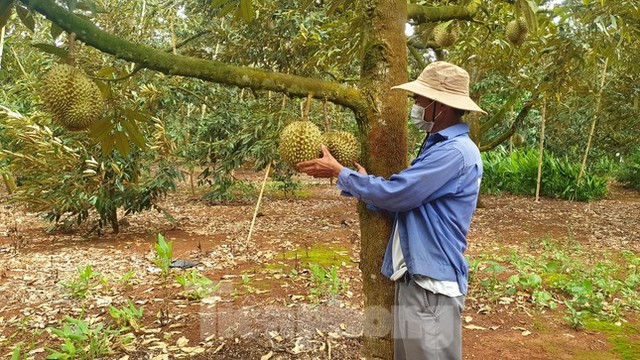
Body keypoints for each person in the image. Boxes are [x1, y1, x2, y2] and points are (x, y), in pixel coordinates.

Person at [297, 61, 486, 360]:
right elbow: (411, 201)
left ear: (441, 106)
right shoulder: (437, 146)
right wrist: (356, 182)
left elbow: (401, 194)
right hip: (418, 279)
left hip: (432, 289)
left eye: (419, 99)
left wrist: (341, 173)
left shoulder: (454, 152)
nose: (415, 105)